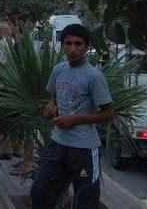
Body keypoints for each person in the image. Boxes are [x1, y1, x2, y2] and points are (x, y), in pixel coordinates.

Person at [30, 24, 115, 209]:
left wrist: (75, 120)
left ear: (87, 46)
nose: (73, 49)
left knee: (85, 201)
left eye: (78, 44)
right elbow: (52, 97)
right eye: (68, 43)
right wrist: (50, 106)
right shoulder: (59, 69)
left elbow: (109, 113)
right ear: (62, 45)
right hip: (57, 144)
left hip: (84, 149)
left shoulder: (94, 76)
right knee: (40, 192)